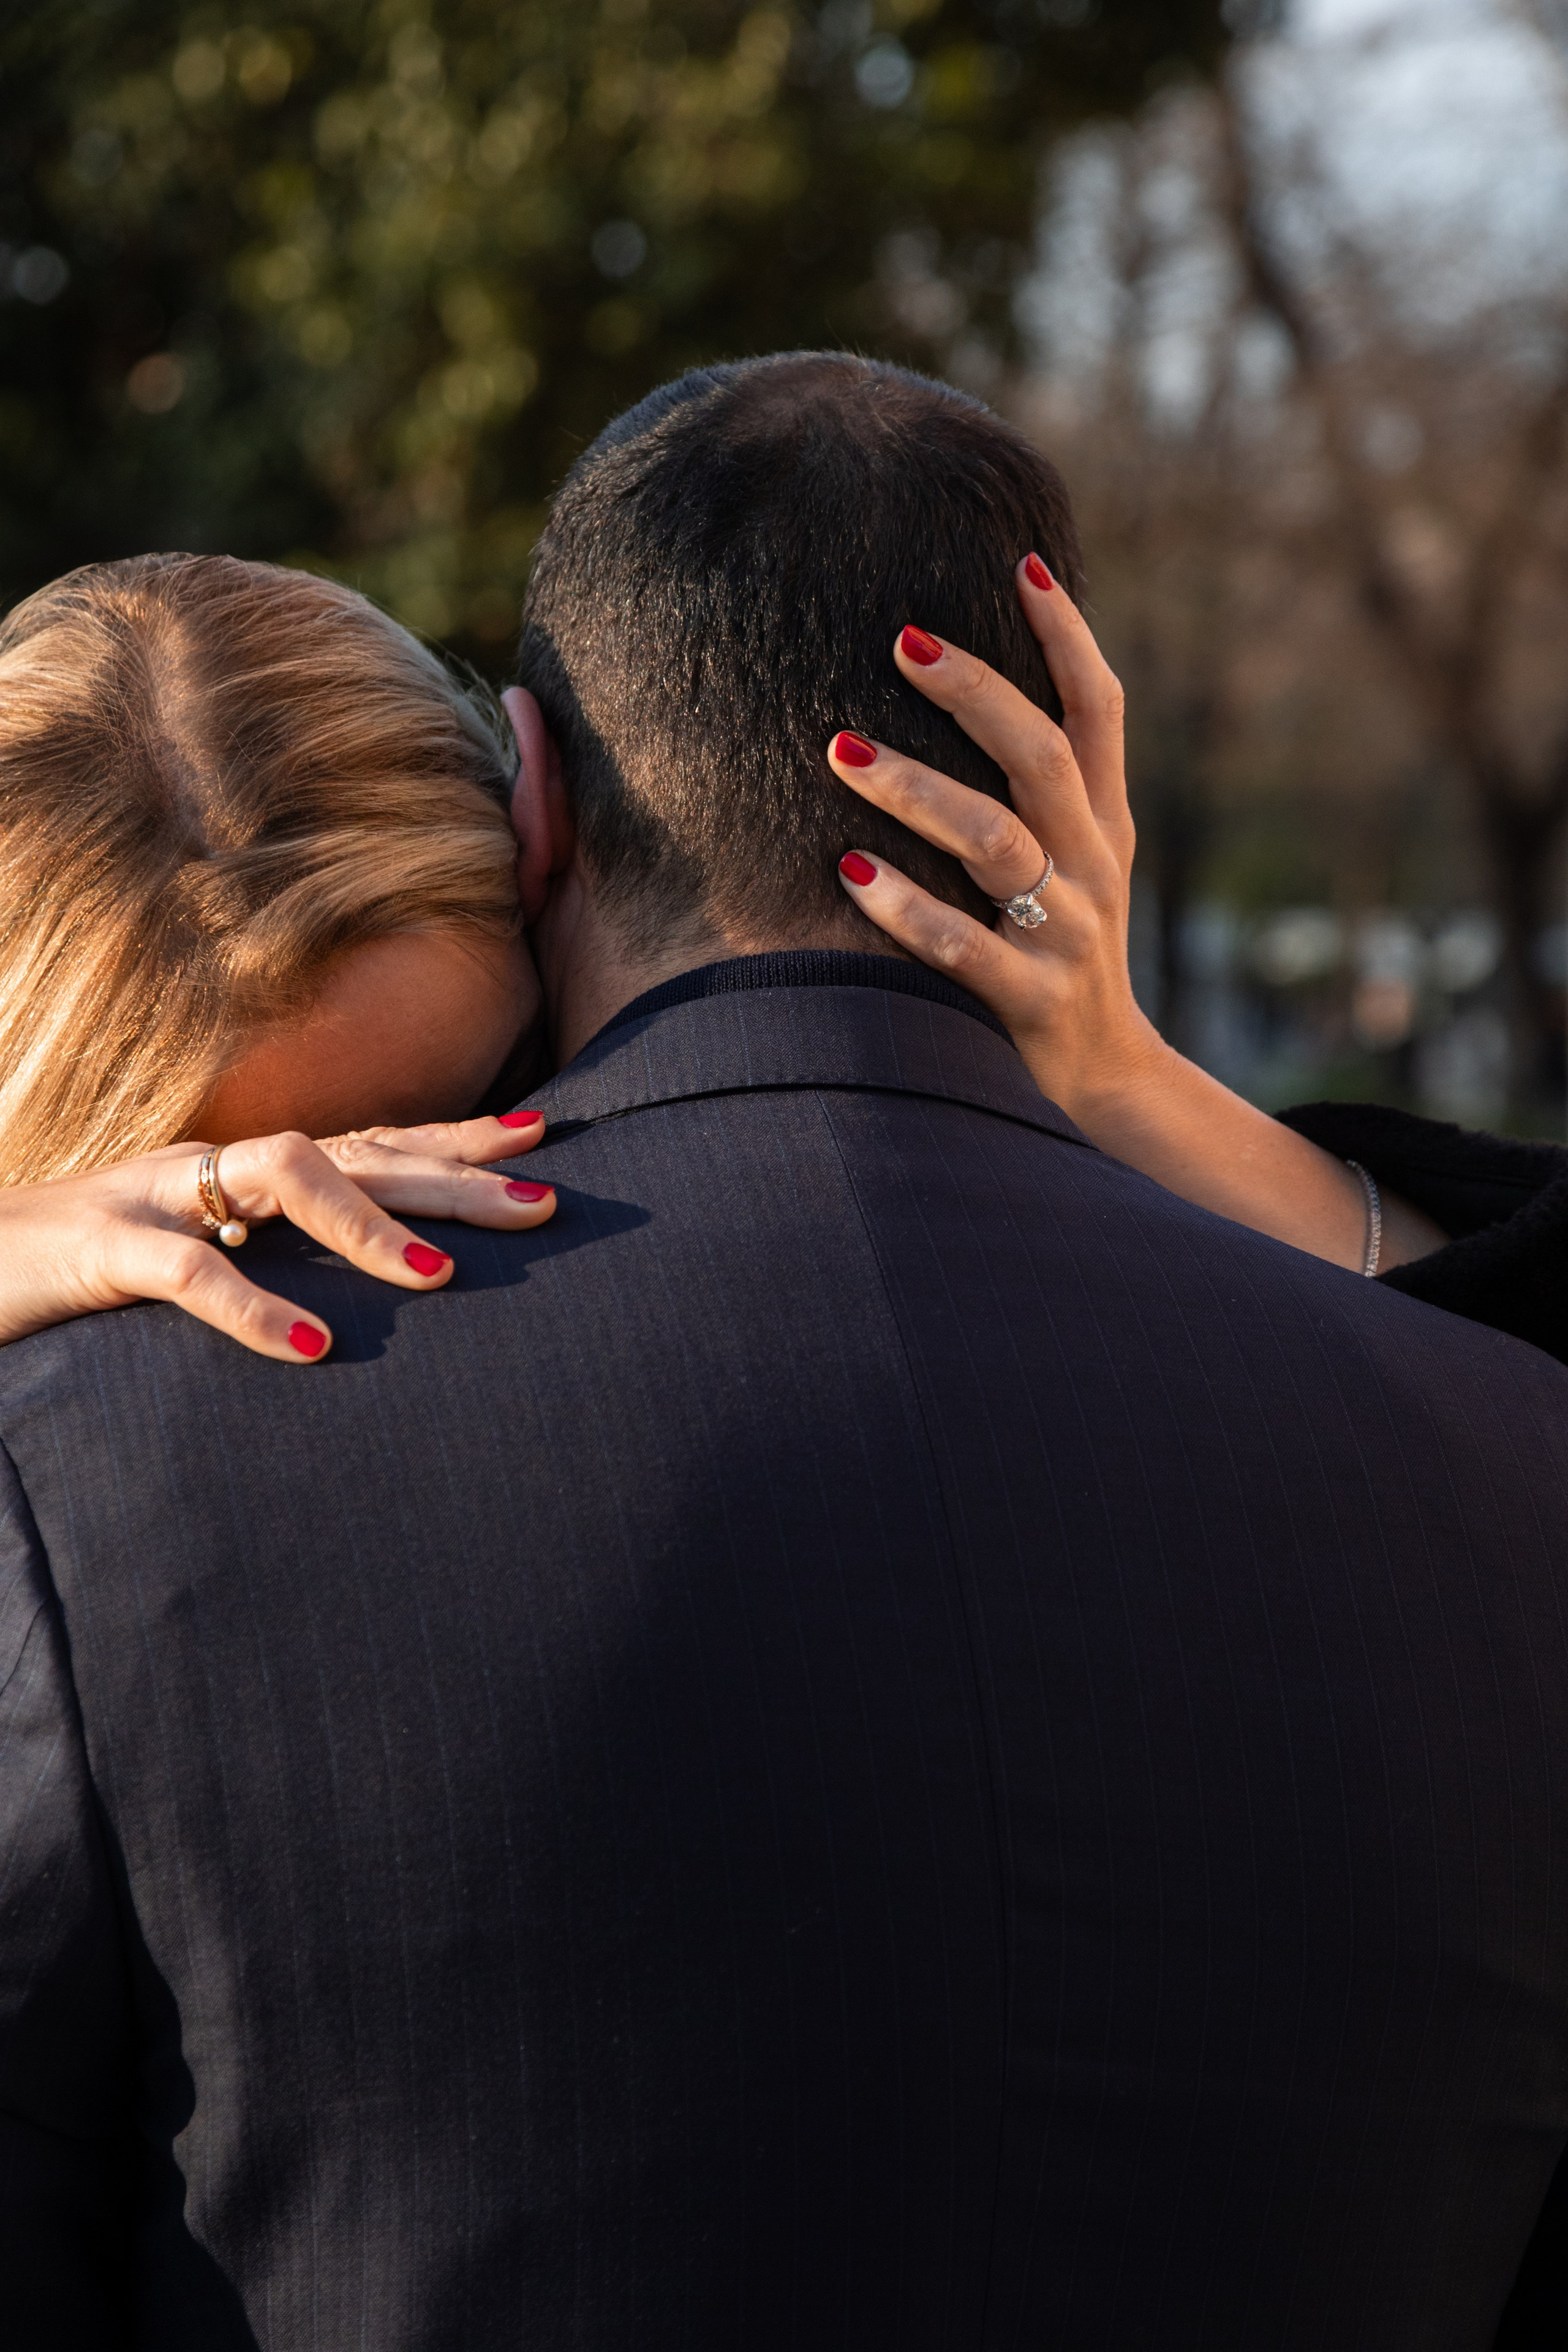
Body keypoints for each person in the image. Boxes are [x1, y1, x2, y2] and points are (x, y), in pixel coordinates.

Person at [4, 349, 1567, 2351]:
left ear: (534, 818)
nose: (358, 1213)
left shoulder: (91, 1489)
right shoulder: (1485, 1475)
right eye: (226, 1199)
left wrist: (1135, 1084)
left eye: (470, 1109)